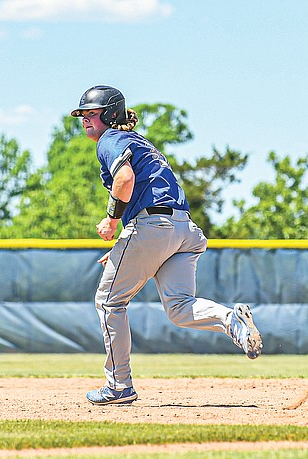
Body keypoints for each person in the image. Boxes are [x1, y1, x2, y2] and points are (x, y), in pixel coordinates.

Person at [71, 85, 263, 405]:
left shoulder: (111, 140)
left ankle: (119, 385)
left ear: (111, 115)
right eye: (83, 115)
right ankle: (233, 321)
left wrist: (112, 221)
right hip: (182, 230)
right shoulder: (139, 141)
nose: (86, 119)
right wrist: (128, 245)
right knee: (179, 308)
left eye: (93, 113)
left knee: (109, 303)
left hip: (152, 228)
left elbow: (125, 180)